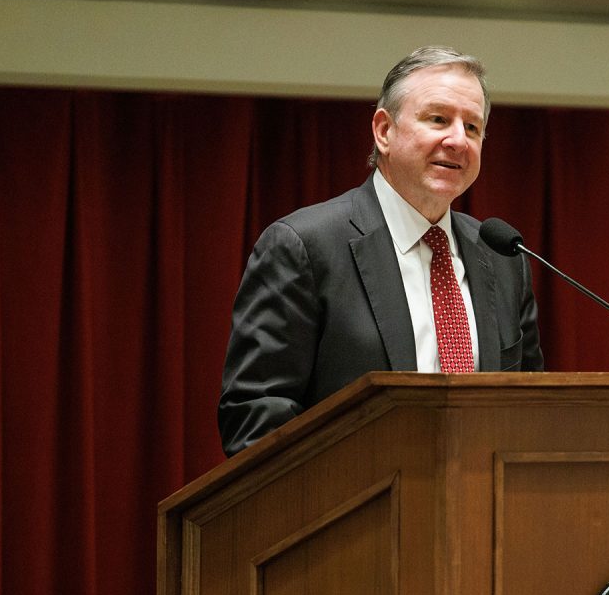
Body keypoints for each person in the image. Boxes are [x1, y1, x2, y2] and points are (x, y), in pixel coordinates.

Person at [218, 45, 544, 456]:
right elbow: (255, 418)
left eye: (473, 128)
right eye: (439, 119)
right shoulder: (304, 246)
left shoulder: (502, 257)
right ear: (384, 131)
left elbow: (531, 410)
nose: (458, 140)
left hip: (482, 511)